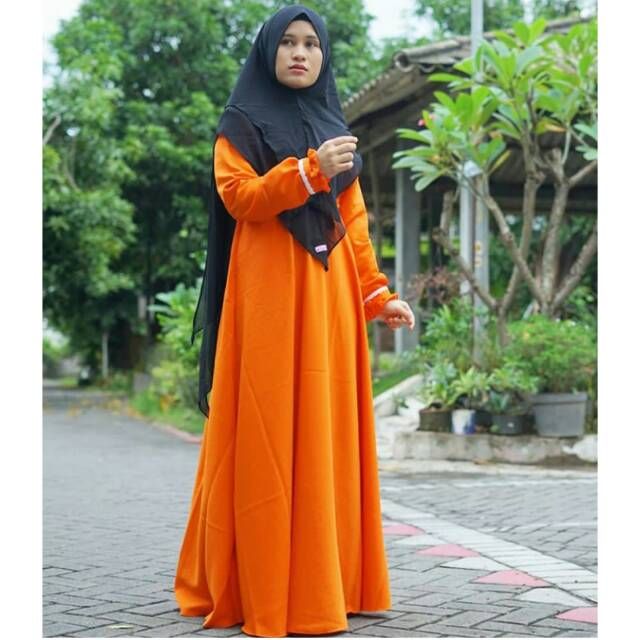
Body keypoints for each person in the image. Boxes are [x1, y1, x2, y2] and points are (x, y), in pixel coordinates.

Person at [174, 4, 415, 637]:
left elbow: (352, 223)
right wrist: (307, 172)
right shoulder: (241, 123)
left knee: (324, 434)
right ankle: (263, 587)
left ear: (323, 56)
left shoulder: (335, 127)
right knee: (269, 428)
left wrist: (377, 295)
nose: (300, 53)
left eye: (311, 43)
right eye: (287, 43)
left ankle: (324, 584)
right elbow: (239, 197)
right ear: (268, 52)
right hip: (269, 296)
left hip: (329, 300)